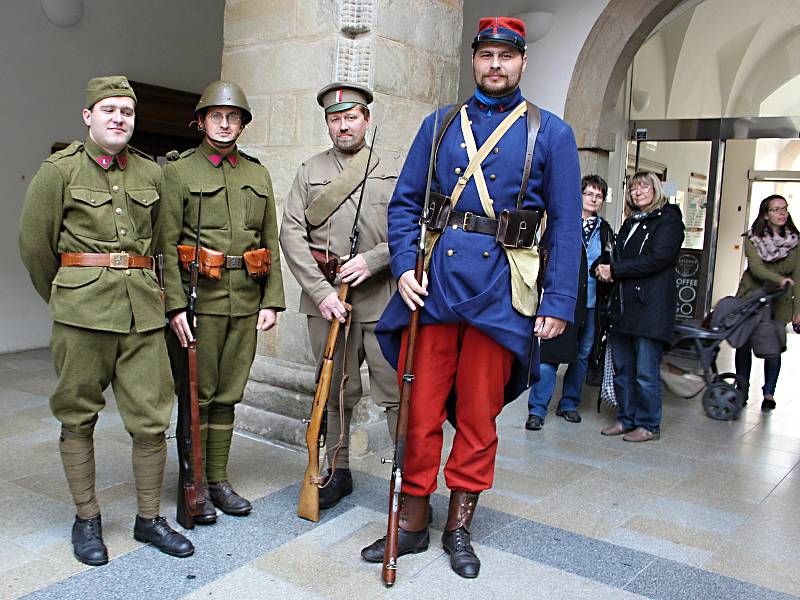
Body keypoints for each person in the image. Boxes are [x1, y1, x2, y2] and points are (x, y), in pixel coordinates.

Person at [361, 17, 582, 578]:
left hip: (500, 292)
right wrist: (408, 266)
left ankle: (458, 526)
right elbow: (407, 203)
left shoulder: (550, 132)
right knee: (421, 412)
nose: (495, 65)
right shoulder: (439, 126)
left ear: (522, 63)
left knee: (479, 418)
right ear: (475, 60)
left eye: (506, 57)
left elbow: (564, 225)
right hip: (433, 290)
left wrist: (557, 302)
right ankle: (411, 521)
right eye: (486, 55)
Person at [19, 76, 193, 565]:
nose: (120, 118)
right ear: (88, 115)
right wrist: (66, 297)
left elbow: (164, 247)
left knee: (152, 419)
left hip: (143, 314)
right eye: (109, 109)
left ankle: (148, 519)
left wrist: (172, 305)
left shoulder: (151, 173)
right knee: (78, 415)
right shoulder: (58, 171)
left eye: (128, 112)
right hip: (82, 316)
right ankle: (87, 518)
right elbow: (35, 247)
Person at [157, 81, 285, 523]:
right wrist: (174, 307)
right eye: (217, 116)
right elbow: (165, 244)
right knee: (197, 395)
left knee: (229, 394)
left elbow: (270, 239)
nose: (225, 123)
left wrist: (271, 300)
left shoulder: (257, 173)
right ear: (201, 121)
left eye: (233, 117)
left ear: (242, 124)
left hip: (246, 301)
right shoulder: (178, 172)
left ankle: (217, 479)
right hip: (199, 303)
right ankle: (192, 483)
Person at [280, 82, 401, 508]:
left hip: (383, 297)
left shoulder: (393, 168)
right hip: (327, 299)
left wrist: (375, 260)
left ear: (366, 120)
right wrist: (319, 292)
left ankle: (406, 481)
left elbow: (415, 230)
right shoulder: (308, 170)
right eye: (335, 119)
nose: (343, 125)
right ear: (327, 124)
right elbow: (290, 233)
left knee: (395, 392)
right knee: (333, 392)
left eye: (351, 117)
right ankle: (338, 470)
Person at [595, 171, 684, 442]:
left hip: (650, 309)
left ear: (656, 189)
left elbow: (658, 258)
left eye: (644, 187)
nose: (638, 192)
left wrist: (615, 270)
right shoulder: (632, 221)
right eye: (633, 188)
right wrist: (601, 268)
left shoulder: (669, 220)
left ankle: (648, 425)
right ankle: (626, 419)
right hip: (624, 307)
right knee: (623, 369)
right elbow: (616, 254)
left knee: (645, 372)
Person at [526, 175, 614, 430]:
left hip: (592, 301)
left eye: (598, 195)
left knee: (583, 355)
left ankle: (569, 404)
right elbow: (544, 255)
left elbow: (609, 258)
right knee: (550, 355)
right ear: (580, 196)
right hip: (564, 300)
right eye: (589, 194)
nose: (594, 199)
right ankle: (537, 409)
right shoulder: (562, 224)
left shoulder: (605, 229)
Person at [733, 194, 799, 411]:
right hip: (752, 296)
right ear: (765, 214)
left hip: (779, 301)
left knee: (774, 347)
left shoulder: (795, 242)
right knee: (744, 344)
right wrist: (781, 279)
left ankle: (769, 392)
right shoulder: (752, 238)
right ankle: (741, 388)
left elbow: (798, 277)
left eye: (785, 209)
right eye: (776, 209)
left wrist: (798, 310)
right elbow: (756, 269)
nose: (782, 213)